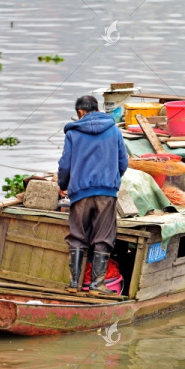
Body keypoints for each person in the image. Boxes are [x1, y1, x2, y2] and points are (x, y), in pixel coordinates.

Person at [57, 95, 129, 295]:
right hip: (106, 193)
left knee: (78, 236)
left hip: (80, 193)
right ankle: (97, 285)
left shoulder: (73, 133)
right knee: (103, 237)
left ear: (80, 112)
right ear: (97, 109)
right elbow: (123, 162)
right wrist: (111, 180)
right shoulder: (113, 130)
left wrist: (62, 184)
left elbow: (65, 165)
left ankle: (74, 285)